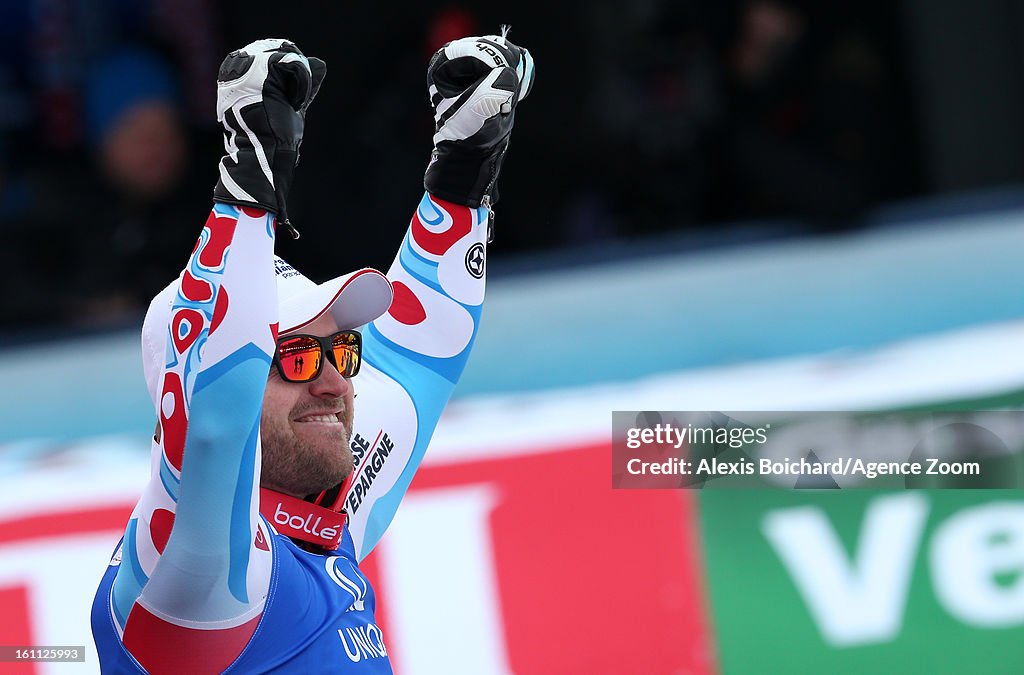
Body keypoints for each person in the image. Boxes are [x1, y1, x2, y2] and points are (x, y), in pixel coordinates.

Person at [90, 34, 534, 673]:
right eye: (295, 356)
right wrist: (246, 187)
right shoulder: (191, 581)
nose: (333, 382)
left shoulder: (323, 522)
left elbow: (416, 355)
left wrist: (463, 173)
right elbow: (215, 425)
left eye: (340, 352)